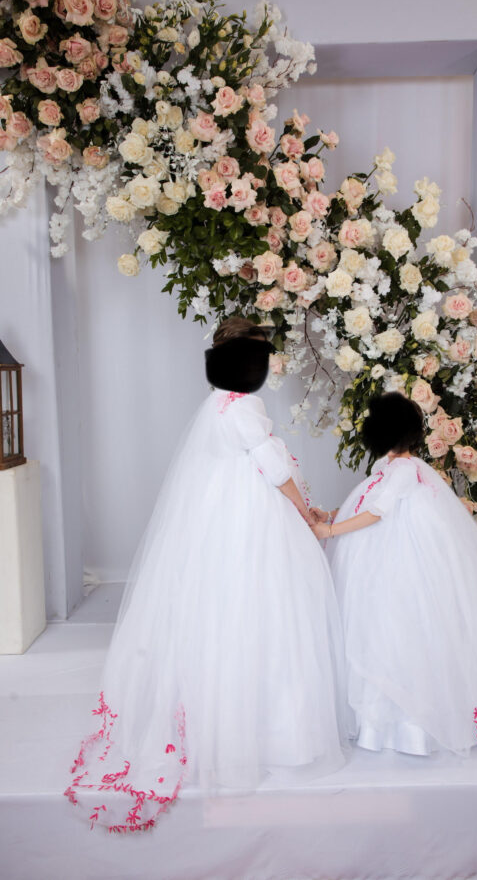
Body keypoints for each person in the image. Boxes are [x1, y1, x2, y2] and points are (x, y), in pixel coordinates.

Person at [65, 317, 349, 833]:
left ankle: (215, 717)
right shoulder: (247, 407)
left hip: (217, 512)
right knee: (265, 607)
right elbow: (275, 469)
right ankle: (268, 732)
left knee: (220, 607)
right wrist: (305, 514)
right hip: (251, 517)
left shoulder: (217, 405)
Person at [312, 393, 477, 758]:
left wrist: (331, 533)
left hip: (396, 557)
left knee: (395, 624)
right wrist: (336, 515)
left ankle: (406, 723)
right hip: (382, 550)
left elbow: (379, 511)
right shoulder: (393, 466)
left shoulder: (403, 470)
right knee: (384, 624)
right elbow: (368, 503)